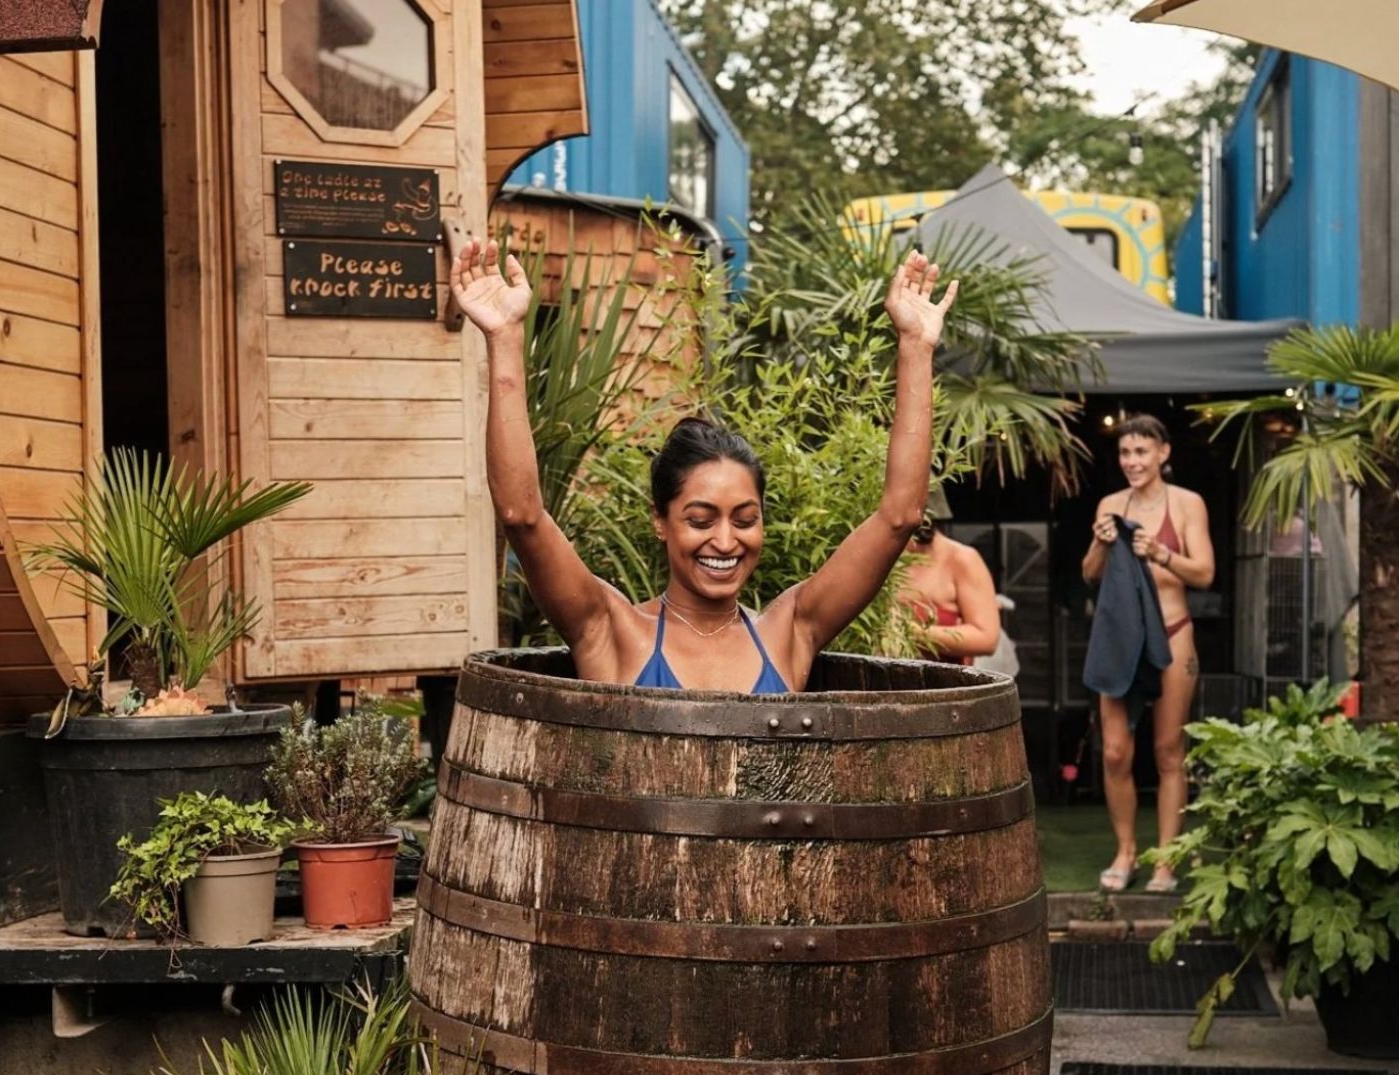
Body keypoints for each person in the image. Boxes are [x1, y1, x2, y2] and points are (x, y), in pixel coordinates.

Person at [454, 236, 955, 693]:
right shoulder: (612, 630)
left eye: (744, 519)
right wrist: (503, 338)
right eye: (699, 519)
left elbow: (900, 516)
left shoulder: (790, 630)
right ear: (660, 521)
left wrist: (915, 346)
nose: (724, 541)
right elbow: (522, 515)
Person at [1080, 416, 1215, 892]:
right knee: (1115, 752)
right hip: (1120, 637)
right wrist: (1100, 542)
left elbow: (1204, 573)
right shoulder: (1111, 504)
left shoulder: (1187, 504)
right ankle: (1125, 851)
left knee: (1168, 751)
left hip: (1174, 632)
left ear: (1163, 453)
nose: (1132, 461)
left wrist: (1160, 554)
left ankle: (1165, 861)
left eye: (1141, 451)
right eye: (1125, 453)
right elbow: (1090, 574)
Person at [899, 490, 999, 664]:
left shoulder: (963, 559)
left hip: (942, 685)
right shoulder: (881, 560)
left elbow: (986, 638)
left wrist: (911, 632)